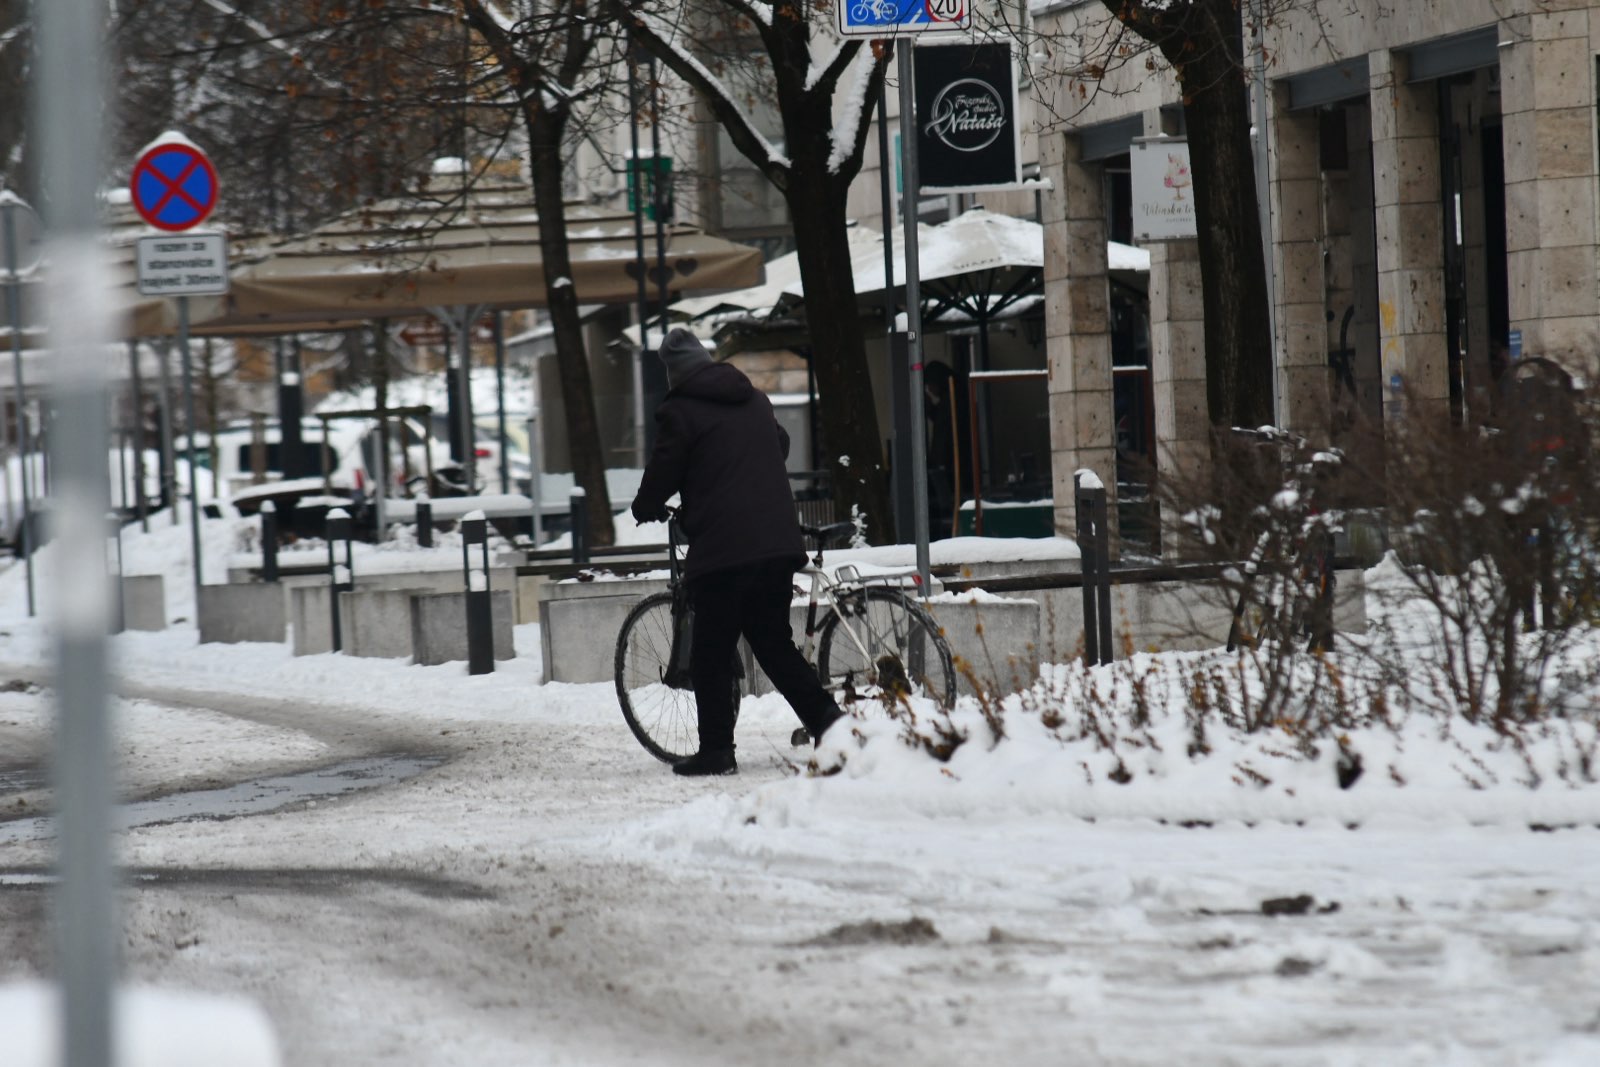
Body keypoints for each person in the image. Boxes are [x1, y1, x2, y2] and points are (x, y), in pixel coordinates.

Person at [631, 328, 843, 776]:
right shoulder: (755, 399)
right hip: (777, 542)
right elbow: (779, 445)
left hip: (726, 551)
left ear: (675, 375)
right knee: (772, 643)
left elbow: (666, 467)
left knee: (709, 651)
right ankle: (830, 722)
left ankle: (717, 752)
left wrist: (645, 505)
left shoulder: (681, 411)